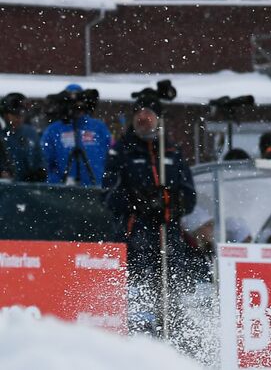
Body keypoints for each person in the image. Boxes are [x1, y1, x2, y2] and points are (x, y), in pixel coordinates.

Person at [103, 100, 198, 333]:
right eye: (139, 113)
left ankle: (174, 337)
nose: (144, 118)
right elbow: (108, 196)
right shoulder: (121, 151)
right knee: (137, 297)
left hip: (168, 238)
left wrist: (170, 204)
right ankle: (138, 339)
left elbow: (189, 196)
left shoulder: (171, 151)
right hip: (134, 238)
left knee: (172, 295)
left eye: (149, 113)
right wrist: (138, 201)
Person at [41, 84, 110, 186]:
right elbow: (45, 162)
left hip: (94, 189)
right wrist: (56, 183)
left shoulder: (99, 128)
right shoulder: (53, 130)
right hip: (63, 192)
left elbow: (109, 156)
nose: (77, 108)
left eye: (80, 103)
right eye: (72, 103)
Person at [1, 93, 43, 182]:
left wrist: (40, 172)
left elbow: (39, 158)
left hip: (27, 189)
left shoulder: (30, 133)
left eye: (21, 115)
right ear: (5, 115)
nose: (18, 119)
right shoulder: (2, 134)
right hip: (4, 189)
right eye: (14, 115)